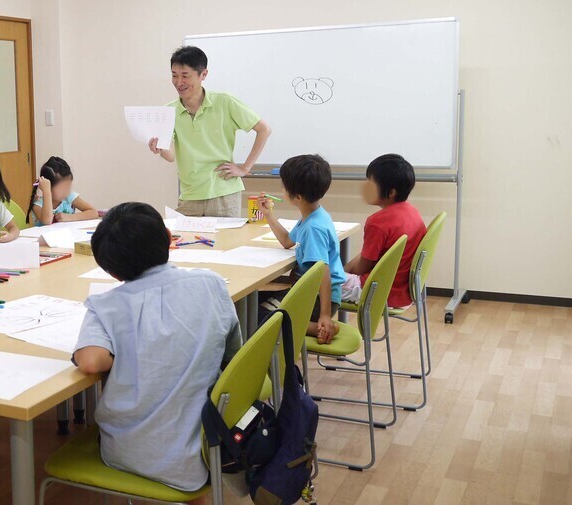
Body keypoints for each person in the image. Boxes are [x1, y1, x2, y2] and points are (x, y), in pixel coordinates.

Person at [73, 202, 240, 502]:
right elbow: (232, 358)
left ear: (111, 271)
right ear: (167, 236)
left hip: (130, 453)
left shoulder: (105, 305)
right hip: (206, 447)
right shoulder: (212, 284)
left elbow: (90, 361)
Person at [148, 46, 272, 218]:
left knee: (226, 244)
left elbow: (264, 129)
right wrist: (159, 149)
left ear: (203, 74)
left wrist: (245, 168)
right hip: (189, 195)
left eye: (185, 76)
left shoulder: (224, 102)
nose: (178, 82)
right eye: (174, 75)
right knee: (187, 244)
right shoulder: (168, 111)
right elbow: (171, 156)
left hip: (223, 193)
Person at [258, 154, 347, 344]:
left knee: (256, 317)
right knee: (252, 303)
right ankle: (310, 323)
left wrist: (324, 315)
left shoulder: (313, 228)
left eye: (283, 187)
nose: (281, 191)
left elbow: (322, 271)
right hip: (311, 293)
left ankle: (316, 327)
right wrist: (268, 215)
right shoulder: (313, 215)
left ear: (297, 197)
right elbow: (286, 241)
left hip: (317, 298)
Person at [343, 154, 427, 307]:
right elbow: (368, 255)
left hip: (376, 289)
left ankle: (317, 326)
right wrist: (345, 270)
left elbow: (363, 267)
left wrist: (344, 272)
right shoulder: (412, 212)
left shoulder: (377, 222)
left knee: (317, 282)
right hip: (403, 291)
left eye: (371, 183)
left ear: (391, 192)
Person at [28, 156, 99, 226]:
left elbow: (93, 212)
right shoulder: (38, 204)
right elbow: (47, 221)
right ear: (48, 186)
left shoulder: (69, 197)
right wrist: (46, 192)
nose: (66, 191)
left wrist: (70, 217)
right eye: (62, 188)